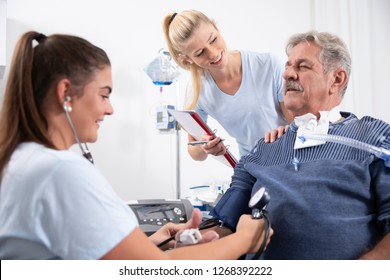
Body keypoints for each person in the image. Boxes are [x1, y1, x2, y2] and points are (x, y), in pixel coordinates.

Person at [0, 31, 272, 260]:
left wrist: (152, 243)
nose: (110, 110)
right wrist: (246, 239)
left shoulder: (22, 160)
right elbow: (153, 270)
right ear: (65, 93)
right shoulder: (59, 171)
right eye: (104, 95)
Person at [208, 30, 390, 259]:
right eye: (288, 66)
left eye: (303, 66)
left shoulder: (375, 138)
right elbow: (224, 225)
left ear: (337, 79)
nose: (287, 75)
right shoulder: (264, 148)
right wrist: (181, 244)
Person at [163, 10, 292, 161]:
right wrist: (204, 147)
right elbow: (194, 150)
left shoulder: (268, 65)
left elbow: (296, 125)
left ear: (216, 28)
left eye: (213, 40)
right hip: (251, 167)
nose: (212, 54)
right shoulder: (197, 91)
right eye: (200, 53)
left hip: (289, 159)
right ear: (187, 59)